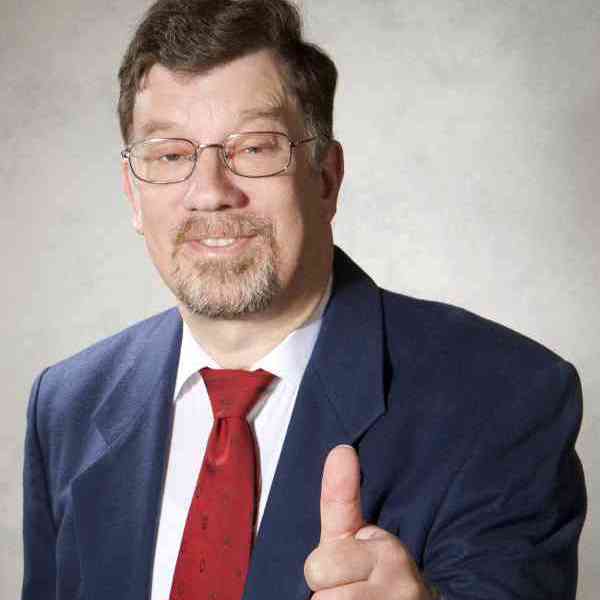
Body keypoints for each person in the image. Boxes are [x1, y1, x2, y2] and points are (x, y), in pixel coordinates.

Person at [22, 1, 586, 599]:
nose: (209, 193)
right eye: (170, 155)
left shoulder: (503, 398)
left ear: (325, 178)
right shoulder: (67, 406)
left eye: (255, 148)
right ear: (133, 196)